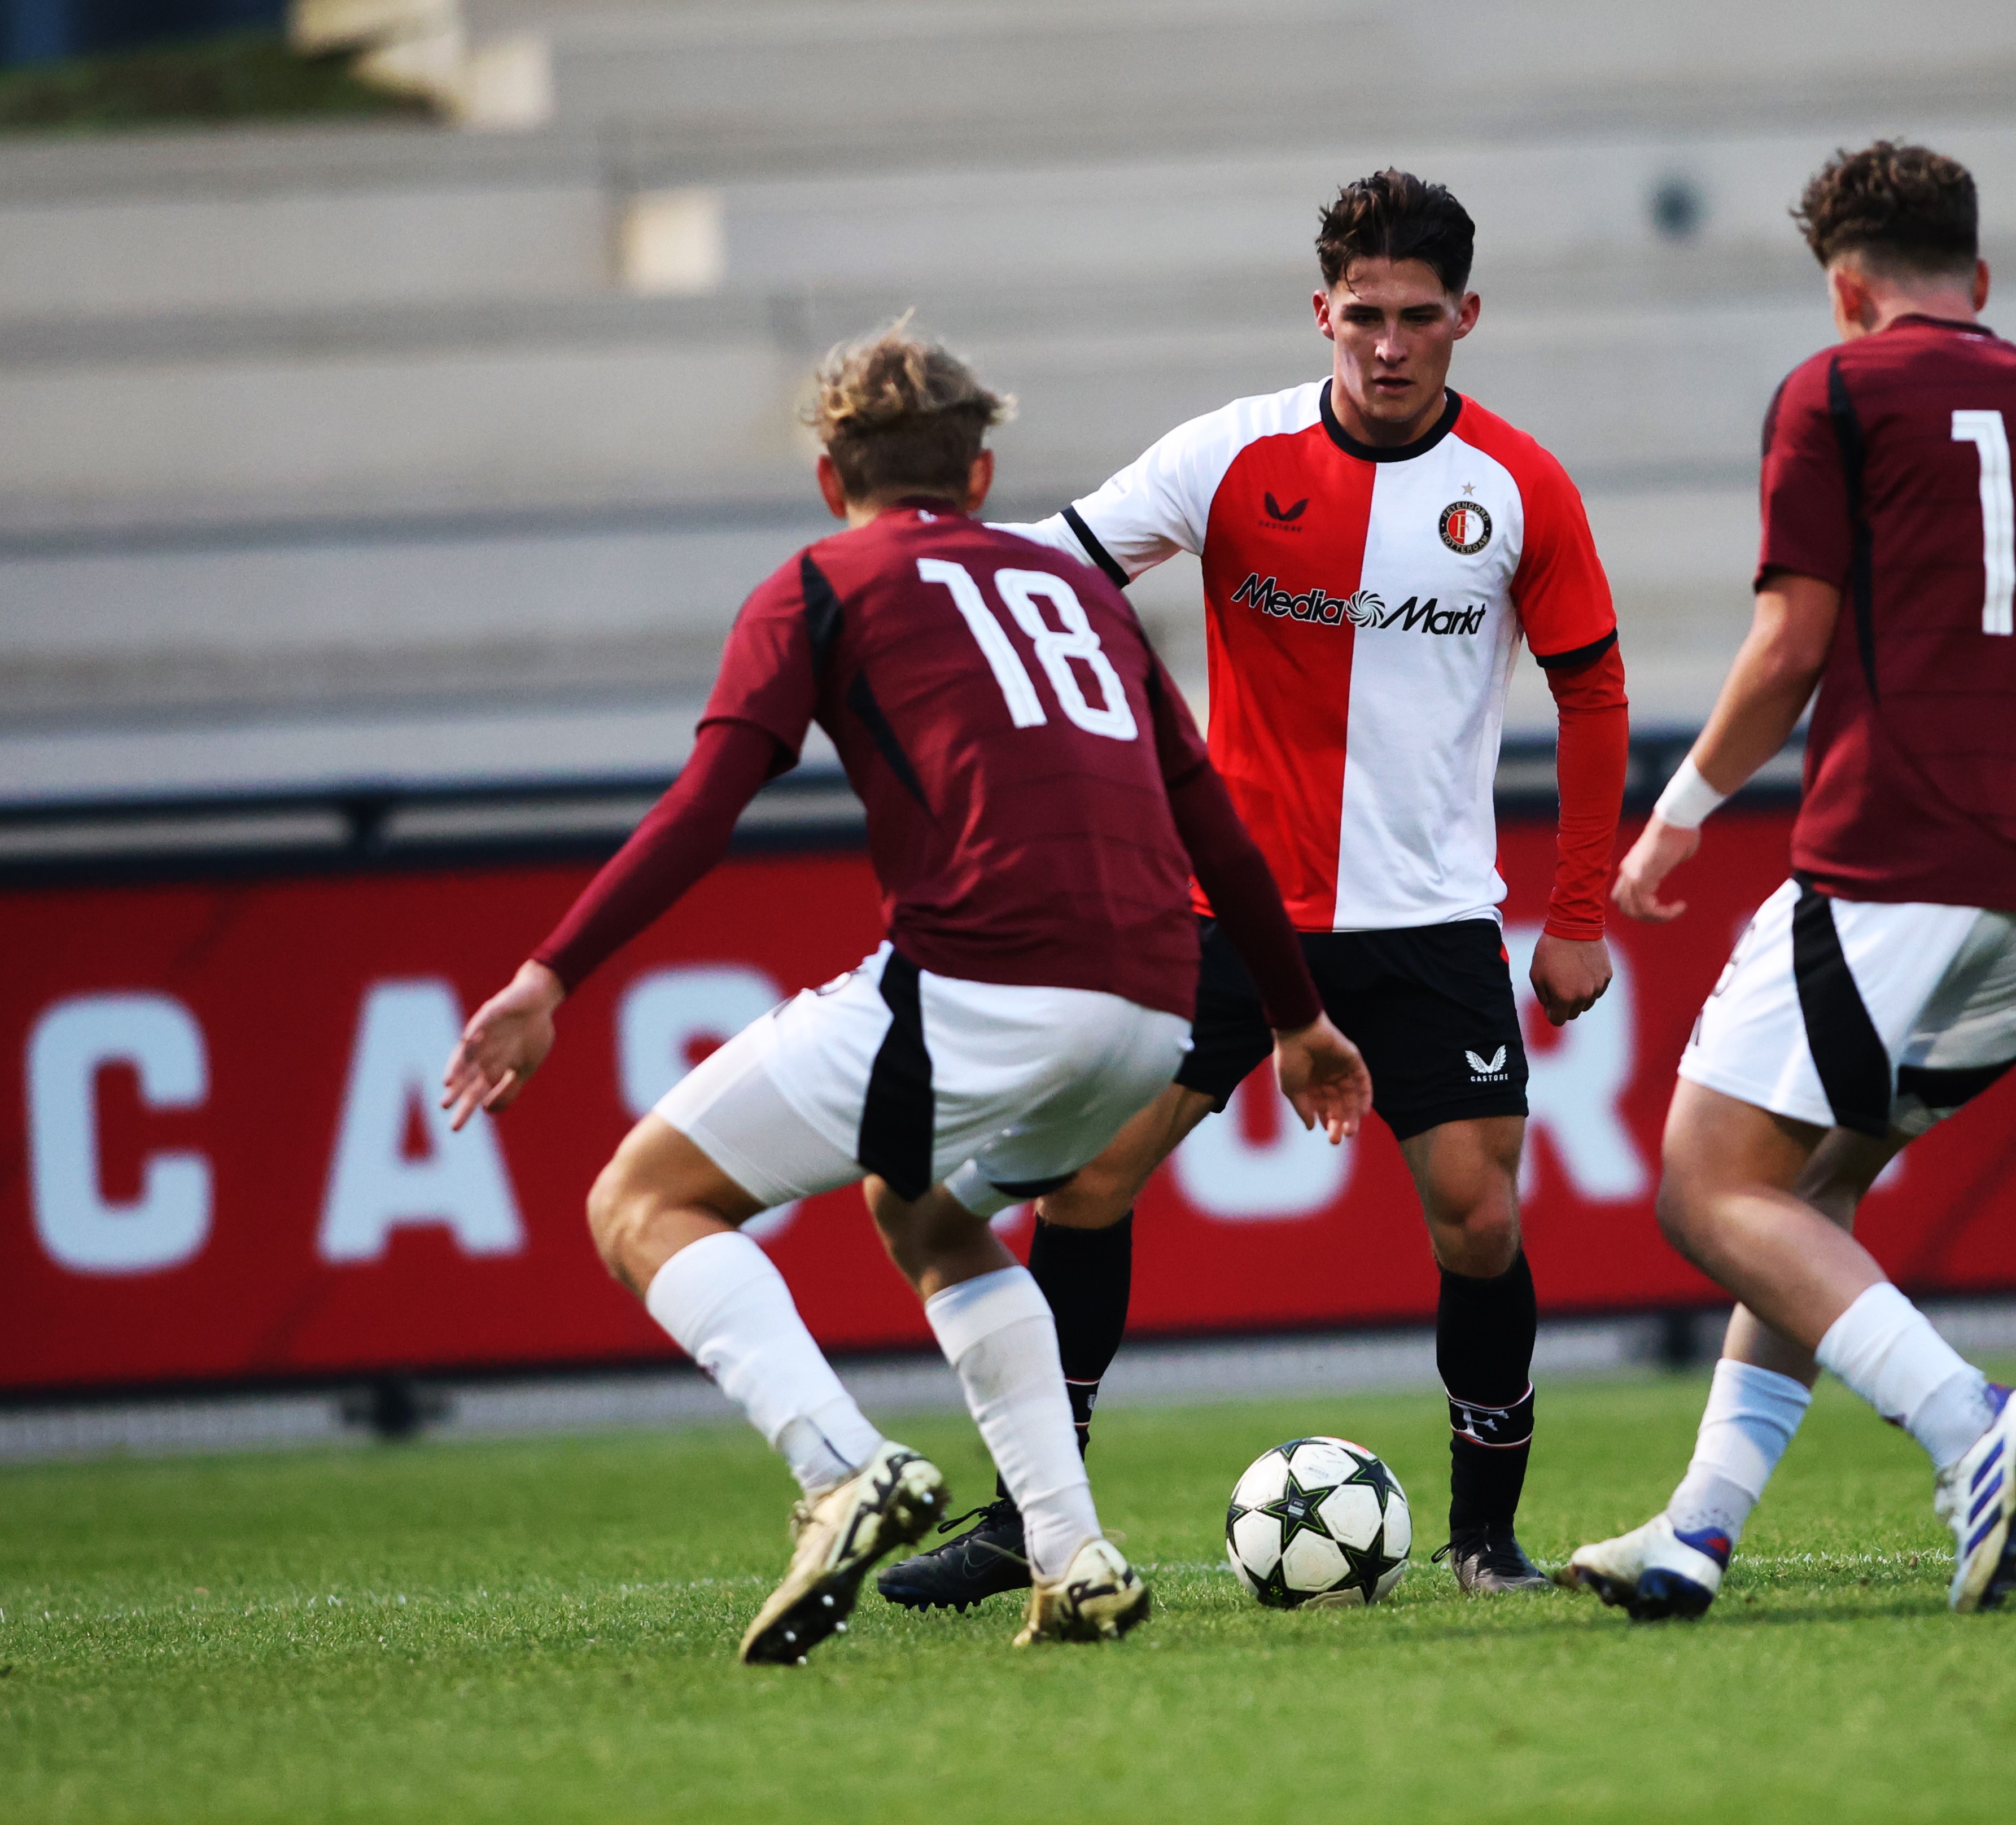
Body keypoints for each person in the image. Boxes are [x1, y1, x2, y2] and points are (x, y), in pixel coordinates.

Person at [438, 324, 1372, 1661]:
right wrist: (1294, 1013)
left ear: (833, 480)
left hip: (986, 978)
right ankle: (1074, 1553)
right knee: (922, 1208)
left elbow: (706, 807)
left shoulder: (820, 580)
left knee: (643, 1198)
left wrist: (549, 973)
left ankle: (837, 1467)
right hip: (1159, 994)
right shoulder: (1079, 587)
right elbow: (1213, 822)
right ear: (981, 473)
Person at [876, 168, 1630, 1610]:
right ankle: (1035, 1521)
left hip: (1425, 921)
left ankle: (1486, 1539)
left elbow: (1591, 695)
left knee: (1477, 1218)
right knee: (1090, 1180)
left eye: (1420, 317)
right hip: (1225, 916)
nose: (1390, 345)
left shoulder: (1520, 487)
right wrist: (907, 566)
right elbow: (1064, 563)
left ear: (1468, 315)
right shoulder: (1234, 453)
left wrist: (1579, 912)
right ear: (1321, 312)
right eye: (1364, 317)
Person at [1559, 141, 2016, 1621]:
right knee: (1812, 1196)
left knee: (1710, 1189)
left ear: (1846, 288)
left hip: (1899, 860)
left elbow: (1790, 645)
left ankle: (1972, 1423)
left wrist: (1679, 814)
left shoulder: (1837, 388)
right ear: (1979, 277)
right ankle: (1699, 1530)